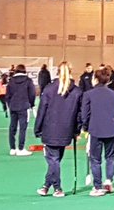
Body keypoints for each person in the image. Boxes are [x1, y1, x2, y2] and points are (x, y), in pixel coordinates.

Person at [33, 62, 82, 197]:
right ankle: (46, 185)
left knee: (53, 159)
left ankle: (57, 188)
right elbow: (79, 115)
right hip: (66, 130)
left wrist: (37, 129)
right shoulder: (77, 91)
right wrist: (77, 130)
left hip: (50, 129)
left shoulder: (49, 89)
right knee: (56, 159)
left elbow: (41, 111)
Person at [81, 67, 114, 196]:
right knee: (110, 157)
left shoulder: (88, 94)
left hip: (95, 129)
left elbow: (85, 114)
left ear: (95, 79)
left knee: (95, 159)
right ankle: (109, 180)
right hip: (111, 129)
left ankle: (98, 186)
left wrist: (85, 127)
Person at [5, 64, 37, 155]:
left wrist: (10, 104)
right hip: (24, 107)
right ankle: (21, 148)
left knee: (12, 127)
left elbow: (7, 95)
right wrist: (32, 104)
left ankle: (12, 148)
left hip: (13, 107)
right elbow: (32, 94)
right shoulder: (28, 81)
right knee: (23, 128)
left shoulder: (11, 81)